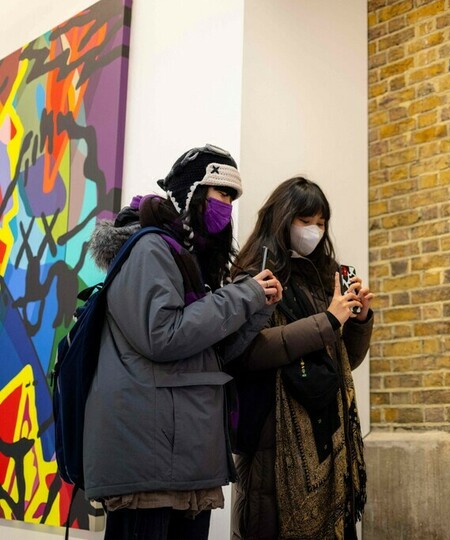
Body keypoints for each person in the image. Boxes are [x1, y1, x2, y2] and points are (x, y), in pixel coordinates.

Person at [83, 144, 283, 539]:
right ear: (191, 192)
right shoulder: (150, 248)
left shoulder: (190, 257)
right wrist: (242, 296)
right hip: (149, 464)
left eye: (232, 198)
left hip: (182, 460)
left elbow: (211, 354)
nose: (227, 205)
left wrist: (256, 307)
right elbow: (163, 335)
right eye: (221, 193)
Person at [229, 176, 374, 540]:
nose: (314, 231)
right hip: (271, 435)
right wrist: (327, 321)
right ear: (281, 219)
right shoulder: (255, 275)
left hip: (329, 434)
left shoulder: (325, 276)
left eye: (321, 223)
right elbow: (250, 350)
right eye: (305, 221)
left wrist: (358, 320)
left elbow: (341, 363)